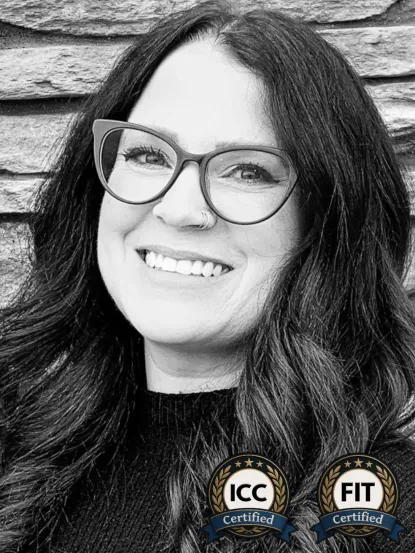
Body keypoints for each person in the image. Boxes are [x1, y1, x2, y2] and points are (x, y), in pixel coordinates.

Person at [1, 1, 415, 552]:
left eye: (247, 171)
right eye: (148, 155)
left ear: (326, 222)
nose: (178, 209)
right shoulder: (19, 447)